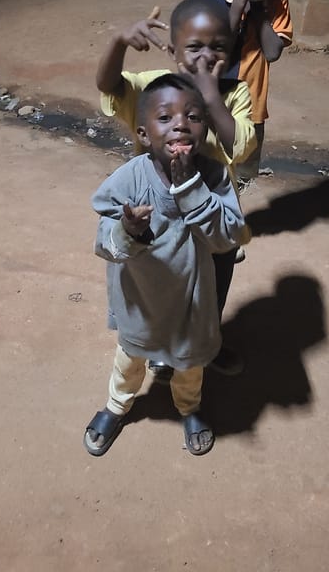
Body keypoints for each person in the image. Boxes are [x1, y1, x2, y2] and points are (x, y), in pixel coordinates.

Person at [84, 74, 246, 457]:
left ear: (204, 126)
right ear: (143, 132)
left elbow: (227, 237)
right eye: (165, 117)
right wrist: (127, 230)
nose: (180, 124)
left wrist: (191, 189)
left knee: (189, 367)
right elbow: (104, 243)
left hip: (191, 301)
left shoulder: (214, 176)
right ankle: (117, 405)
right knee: (129, 361)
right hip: (140, 300)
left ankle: (188, 408)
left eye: (193, 115)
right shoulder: (130, 179)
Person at [96, 0, 255, 376]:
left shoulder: (235, 93)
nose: (205, 57)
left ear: (230, 51)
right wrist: (119, 41)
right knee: (161, 282)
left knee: (213, 287)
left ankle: (206, 344)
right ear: (172, 49)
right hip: (160, 212)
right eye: (194, 47)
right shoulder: (154, 89)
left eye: (217, 48)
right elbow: (109, 85)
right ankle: (160, 344)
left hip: (212, 208)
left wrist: (211, 94)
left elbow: (241, 147)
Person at [203, 0, 293, 183]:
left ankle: (232, 221)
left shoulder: (277, 3)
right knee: (206, 171)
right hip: (213, 104)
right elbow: (219, 48)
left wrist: (257, 5)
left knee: (241, 178)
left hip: (251, 111)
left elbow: (273, 51)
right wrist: (239, 1)